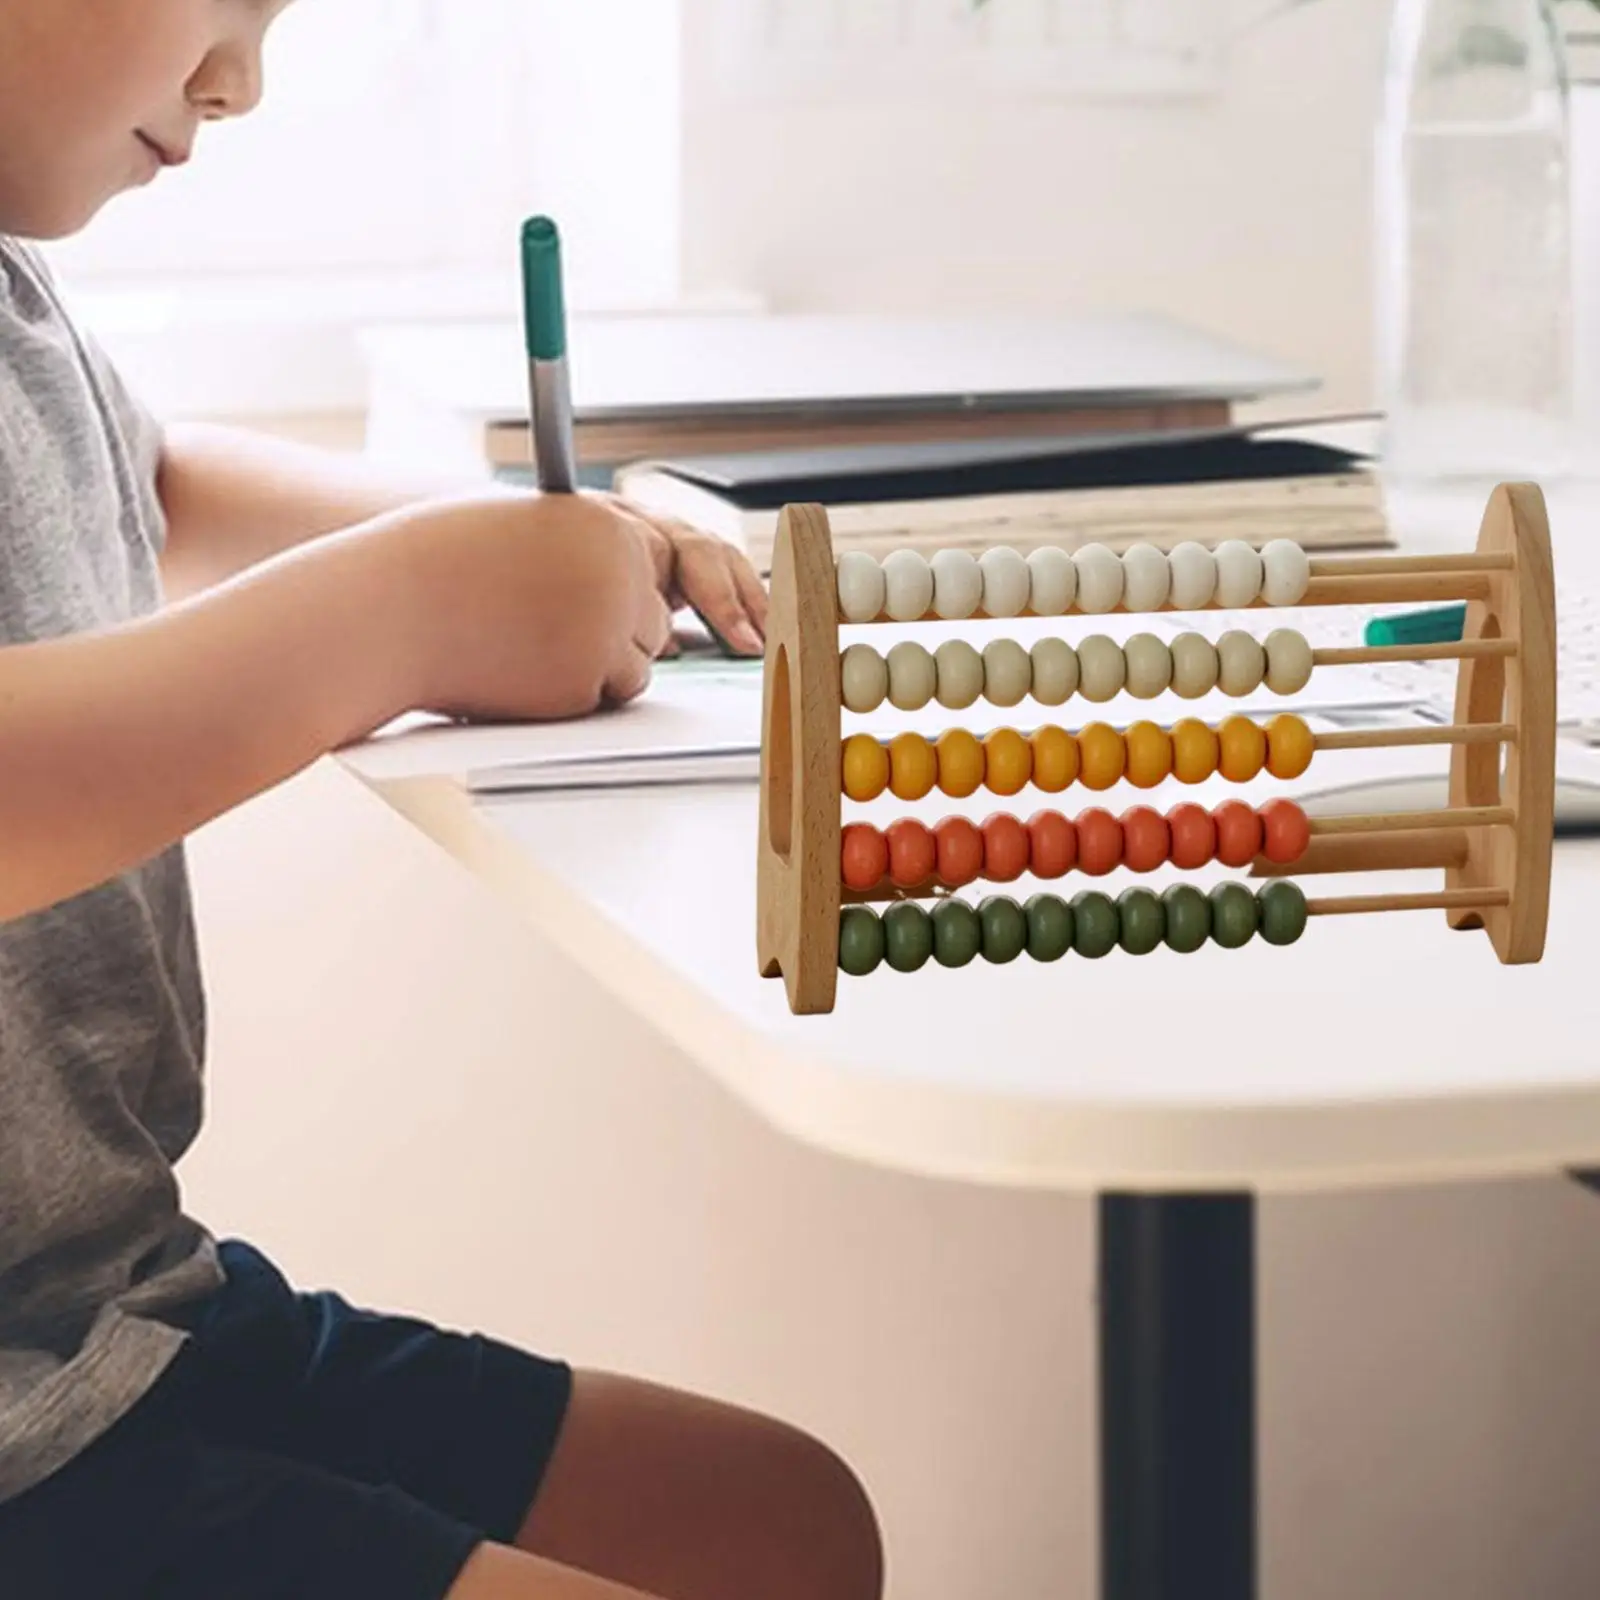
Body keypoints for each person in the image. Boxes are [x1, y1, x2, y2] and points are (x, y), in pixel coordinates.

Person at [0, 4, 885, 1599]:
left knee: (775, 1524)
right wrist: (412, 611)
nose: (239, 81)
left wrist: (514, 546)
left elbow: (152, 482)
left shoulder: (10, 287)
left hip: (113, 1305)